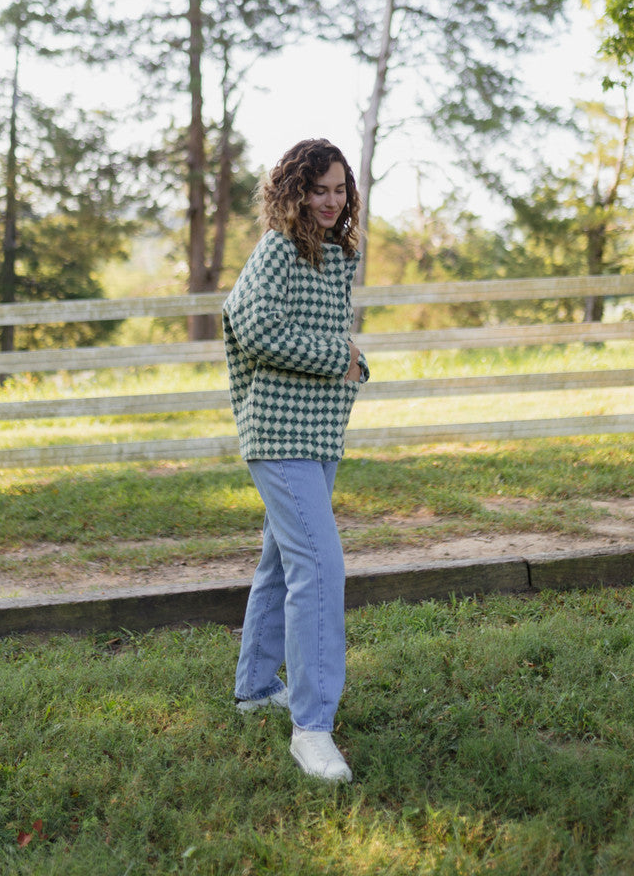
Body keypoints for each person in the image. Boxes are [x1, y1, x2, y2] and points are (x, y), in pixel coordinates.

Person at [223, 138, 369, 783]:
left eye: (339, 189)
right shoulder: (277, 250)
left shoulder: (335, 255)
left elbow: (331, 338)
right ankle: (312, 728)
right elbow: (250, 327)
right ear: (293, 193)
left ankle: (255, 687)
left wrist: (353, 361)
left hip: (317, 432)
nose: (331, 201)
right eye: (319, 189)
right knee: (320, 565)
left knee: (281, 562)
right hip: (279, 433)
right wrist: (336, 357)